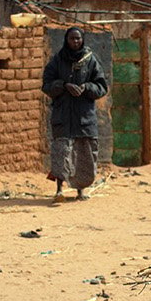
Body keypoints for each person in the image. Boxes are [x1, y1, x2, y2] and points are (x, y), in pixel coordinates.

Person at [42, 27, 107, 201]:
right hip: (63, 115)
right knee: (61, 152)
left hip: (84, 116)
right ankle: (59, 190)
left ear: (82, 40)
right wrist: (63, 86)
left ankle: (80, 191)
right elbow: (46, 85)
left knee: (84, 154)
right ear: (66, 40)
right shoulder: (57, 60)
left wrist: (87, 87)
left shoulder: (91, 60)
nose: (75, 42)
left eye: (78, 39)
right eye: (72, 39)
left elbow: (102, 87)